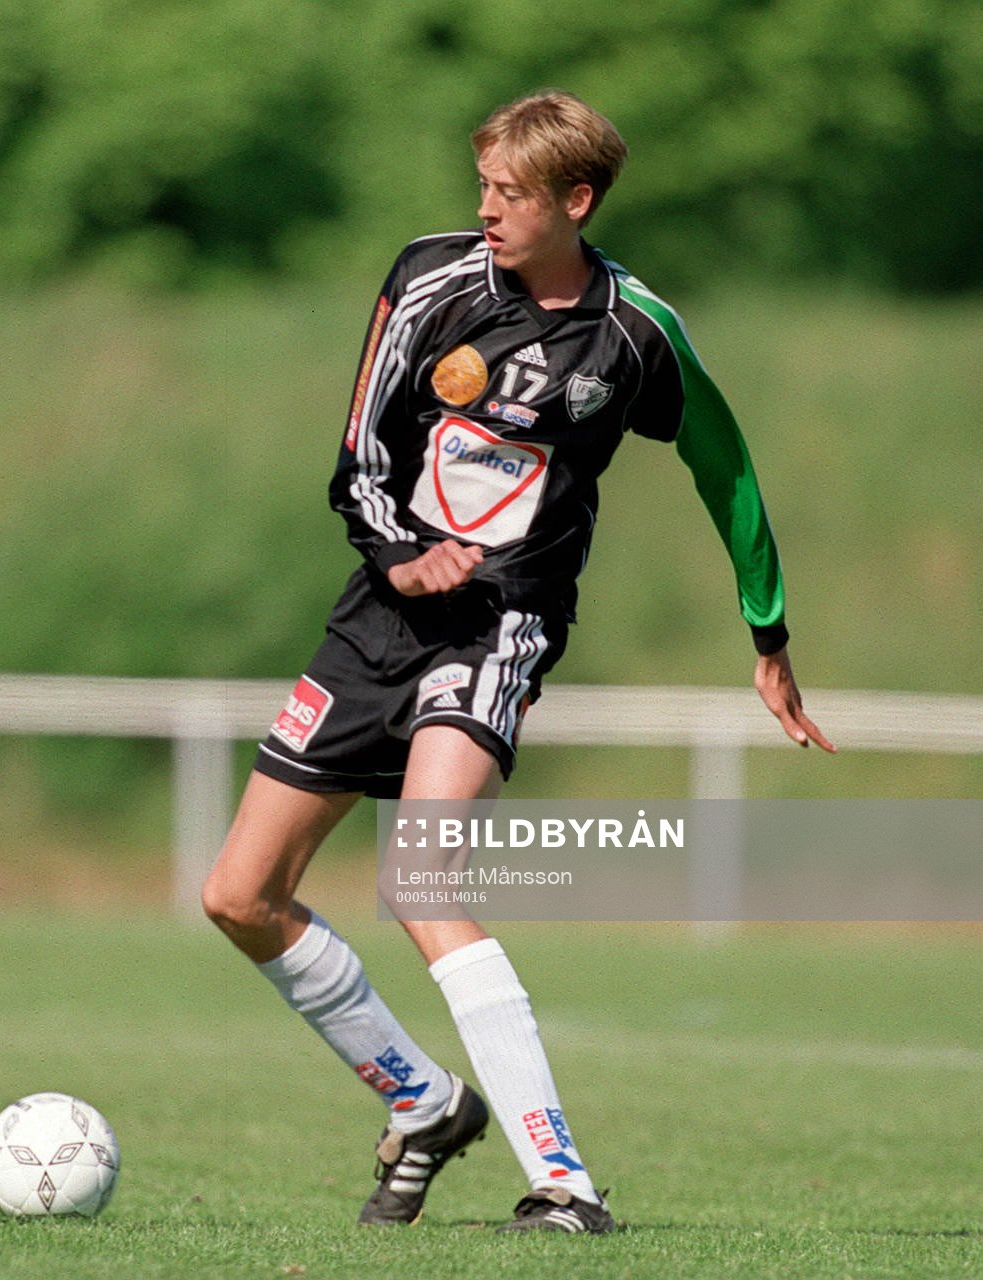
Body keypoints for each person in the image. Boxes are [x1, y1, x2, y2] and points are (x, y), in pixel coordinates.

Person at [201, 91, 834, 1235]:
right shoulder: (432, 276)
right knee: (237, 895)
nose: (484, 209)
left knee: (425, 876)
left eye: (509, 194)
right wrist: (397, 555)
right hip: (377, 613)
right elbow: (356, 453)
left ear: (573, 202)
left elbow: (724, 466)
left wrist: (768, 633)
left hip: (505, 623)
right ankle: (424, 1100)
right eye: (482, 186)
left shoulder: (634, 330)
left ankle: (562, 1181)